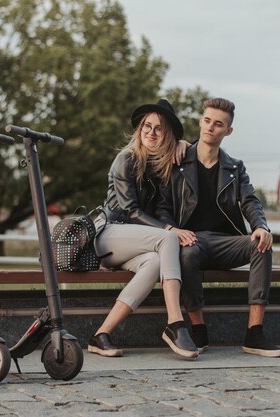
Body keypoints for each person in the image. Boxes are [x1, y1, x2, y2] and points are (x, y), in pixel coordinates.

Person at [157, 97, 280, 357]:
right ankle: (198, 330)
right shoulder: (177, 161)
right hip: (190, 241)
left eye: (218, 124)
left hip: (225, 242)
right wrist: (173, 231)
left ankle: (254, 334)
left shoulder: (235, 167)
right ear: (200, 121)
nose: (210, 128)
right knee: (187, 252)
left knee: (261, 244)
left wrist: (261, 227)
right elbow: (162, 208)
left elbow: (250, 200)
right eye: (206, 121)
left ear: (228, 131)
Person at [88, 99, 198, 359]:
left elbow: (160, 210)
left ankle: (101, 334)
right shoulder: (125, 160)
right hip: (107, 235)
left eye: (159, 129)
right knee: (167, 240)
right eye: (147, 126)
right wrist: (170, 229)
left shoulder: (161, 168)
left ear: (167, 135)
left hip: (133, 243)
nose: (151, 132)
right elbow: (130, 211)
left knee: (154, 262)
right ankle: (175, 322)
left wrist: (186, 145)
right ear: (139, 131)